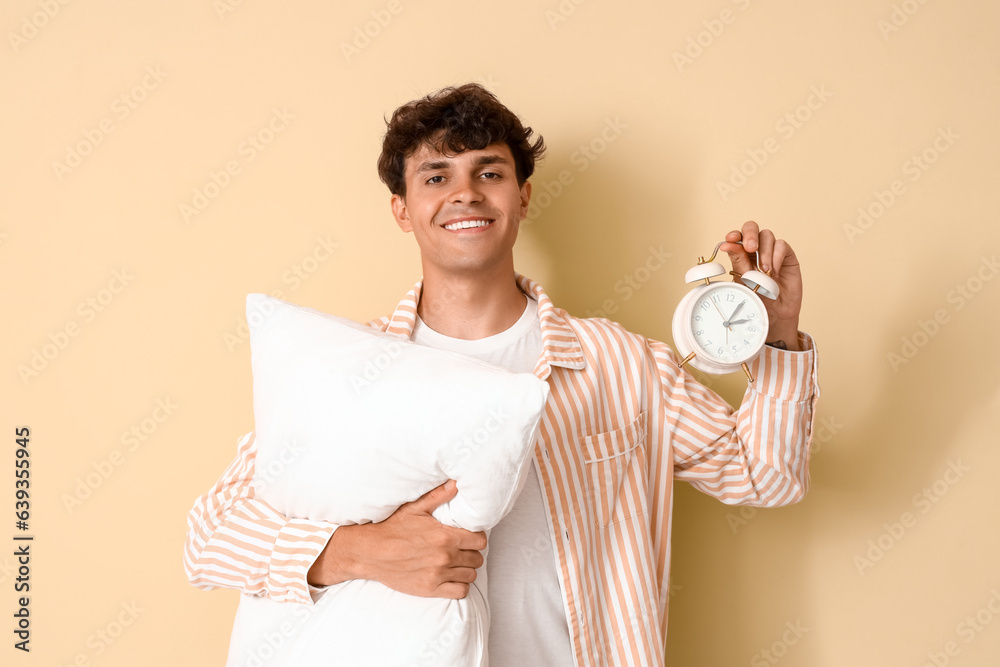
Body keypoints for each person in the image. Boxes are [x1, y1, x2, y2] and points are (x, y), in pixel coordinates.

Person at [184, 83, 819, 666]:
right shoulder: (349, 371)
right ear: (403, 209)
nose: (465, 193)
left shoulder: (619, 364)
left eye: (489, 171)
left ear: (523, 196)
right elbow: (209, 533)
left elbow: (767, 477)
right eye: (436, 176)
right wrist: (357, 552)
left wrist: (780, 336)